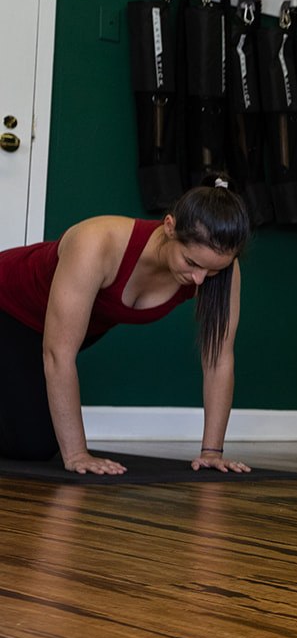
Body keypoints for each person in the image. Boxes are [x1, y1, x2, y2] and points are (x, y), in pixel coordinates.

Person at [0, 174, 252, 475]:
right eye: (192, 263)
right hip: (7, 311)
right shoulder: (97, 242)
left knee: (32, 443)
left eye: (212, 270)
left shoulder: (218, 266)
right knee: (35, 445)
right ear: (169, 227)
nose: (200, 279)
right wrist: (78, 454)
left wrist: (212, 452)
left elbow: (219, 358)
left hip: (44, 330)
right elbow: (59, 354)